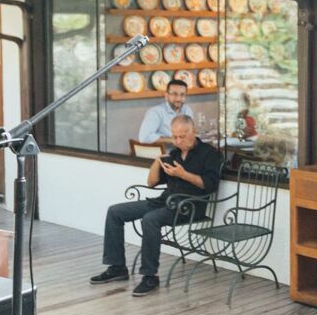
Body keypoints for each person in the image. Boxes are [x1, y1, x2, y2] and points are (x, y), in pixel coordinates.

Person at [89, 113, 223, 296]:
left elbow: (210, 185)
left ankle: (150, 276)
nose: (178, 140)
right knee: (115, 212)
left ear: (194, 131)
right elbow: (151, 183)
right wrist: (157, 161)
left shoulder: (210, 154)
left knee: (150, 219)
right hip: (164, 201)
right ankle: (117, 267)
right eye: (174, 136)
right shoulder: (175, 153)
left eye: (182, 136)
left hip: (189, 207)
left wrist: (183, 174)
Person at [136, 78, 191, 144]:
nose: (178, 98)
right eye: (174, 94)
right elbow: (144, 137)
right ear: (166, 95)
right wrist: (171, 140)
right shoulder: (155, 112)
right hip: (166, 153)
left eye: (182, 95)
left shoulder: (187, 110)